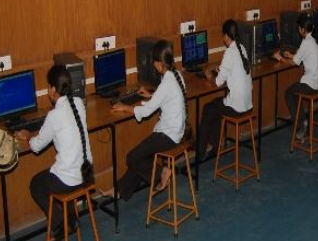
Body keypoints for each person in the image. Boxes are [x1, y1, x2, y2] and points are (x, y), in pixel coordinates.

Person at [16, 65, 93, 240]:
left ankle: (61, 223)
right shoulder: (79, 103)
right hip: (86, 174)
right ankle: (72, 218)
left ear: (52, 89)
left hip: (70, 180)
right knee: (63, 170)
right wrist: (40, 132)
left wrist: (28, 136)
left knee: (36, 184)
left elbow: (36, 146)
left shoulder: (54, 115)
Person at [106, 41, 188, 201]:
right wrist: (151, 96)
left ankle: (161, 172)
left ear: (159, 63)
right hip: (177, 131)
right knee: (142, 159)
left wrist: (124, 107)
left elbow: (145, 112)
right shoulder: (176, 76)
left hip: (168, 136)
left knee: (132, 157)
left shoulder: (166, 83)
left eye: (154, 62)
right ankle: (120, 190)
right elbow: (167, 97)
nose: (153, 65)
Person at [198, 19, 253, 160]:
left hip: (236, 107)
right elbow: (235, 70)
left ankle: (201, 151)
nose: (222, 38)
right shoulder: (242, 48)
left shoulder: (229, 52)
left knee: (208, 109)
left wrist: (209, 75)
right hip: (247, 104)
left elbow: (218, 82)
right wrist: (222, 70)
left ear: (227, 36)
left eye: (223, 35)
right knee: (216, 107)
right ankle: (213, 146)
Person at [274, 12, 318, 141]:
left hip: (311, 85)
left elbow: (294, 63)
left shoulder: (305, 43)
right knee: (295, 91)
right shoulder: (312, 41)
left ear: (302, 29)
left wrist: (280, 58)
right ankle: (302, 121)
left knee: (289, 93)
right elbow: (302, 56)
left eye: (298, 28)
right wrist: (291, 55)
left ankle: (301, 124)